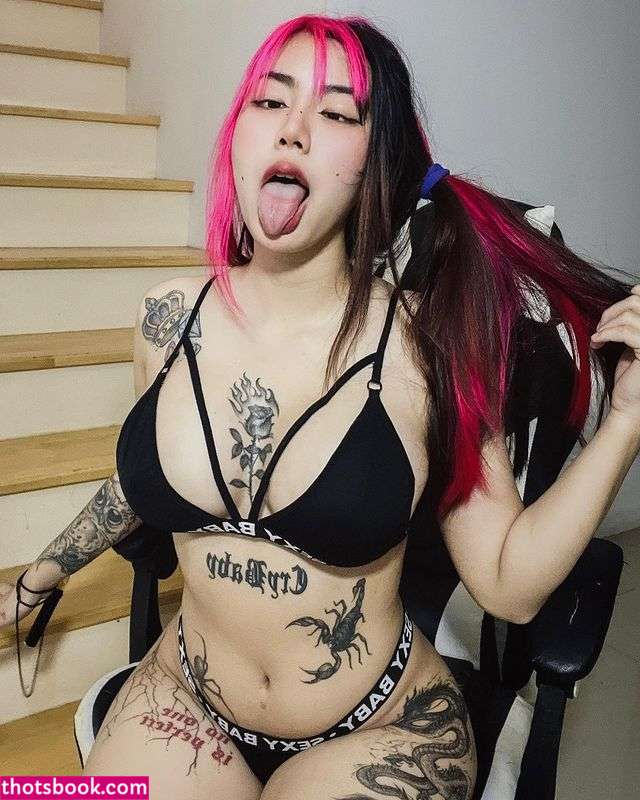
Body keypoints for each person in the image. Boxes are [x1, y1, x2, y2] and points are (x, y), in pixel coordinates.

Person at [1, 12, 639, 800]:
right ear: (237, 137)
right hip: (186, 701)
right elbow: (150, 476)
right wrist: (41, 574)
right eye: (270, 101)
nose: (293, 127)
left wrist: (625, 423)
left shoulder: (426, 349)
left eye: (336, 113)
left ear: (375, 164)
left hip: (377, 729)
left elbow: (508, 582)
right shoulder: (166, 318)